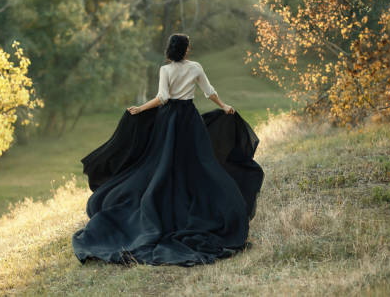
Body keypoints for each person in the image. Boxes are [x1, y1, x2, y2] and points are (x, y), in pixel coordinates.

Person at [72, 34, 264, 267]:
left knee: (163, 164)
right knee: (197, 163)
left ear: (170, 50)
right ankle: (196, 203)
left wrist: (140, 108)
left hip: (169, 121)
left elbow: (162, 98)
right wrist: (224, 106)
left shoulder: (165, 70)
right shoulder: (195, 67)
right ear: (186, 49)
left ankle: (166, 203)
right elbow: (208, 91)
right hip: (189, 121)